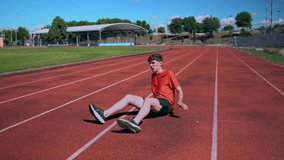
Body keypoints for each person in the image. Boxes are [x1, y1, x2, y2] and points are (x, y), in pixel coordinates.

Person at [89, 53, 188, 133]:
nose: (150, 65)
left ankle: (135, 123)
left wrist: (180, 102)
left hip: (166, 104)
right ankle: (104, 114)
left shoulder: (169, 73)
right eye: (149, 63)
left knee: (148, 100)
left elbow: (179, 90)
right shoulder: (153, 75)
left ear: (160, 63)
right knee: (129, 97)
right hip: (155, 103)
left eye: (153, 63)